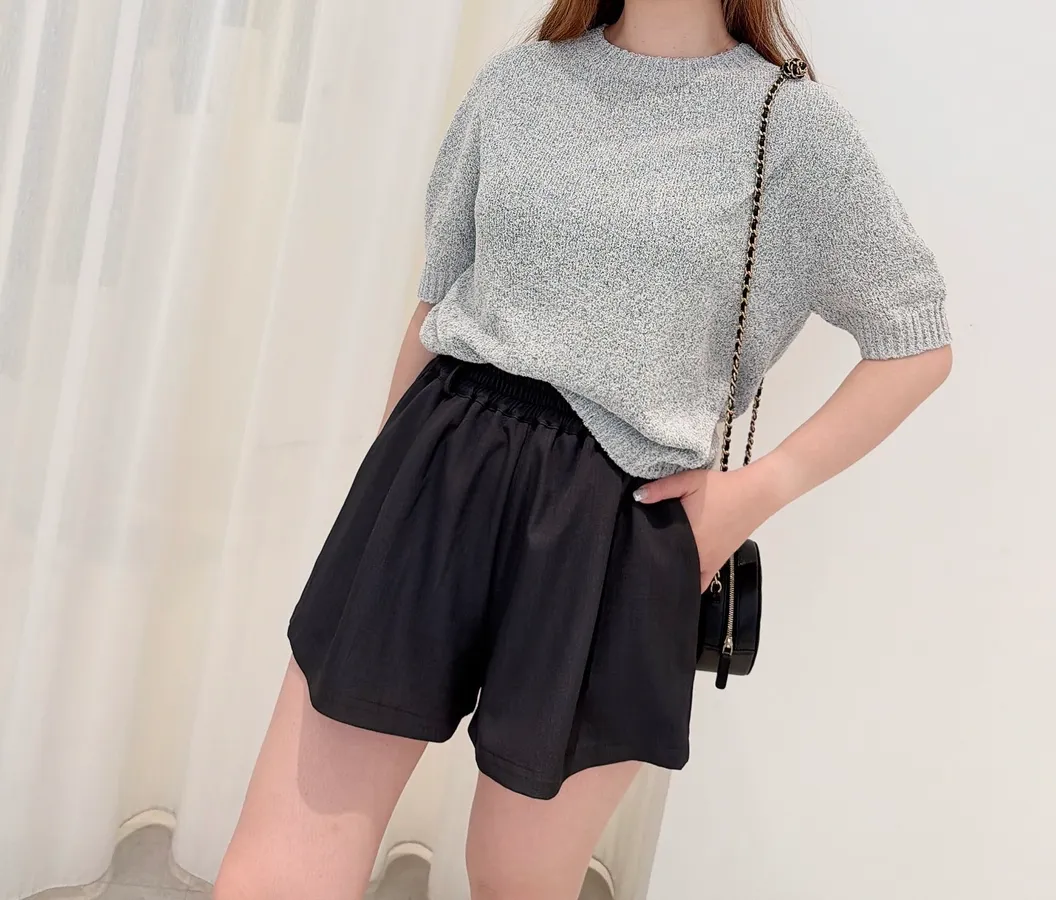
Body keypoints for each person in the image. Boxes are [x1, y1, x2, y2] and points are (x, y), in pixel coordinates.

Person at [214, 1, 952, 898]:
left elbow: (914, 340)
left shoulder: (793, 129)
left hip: (614, 530)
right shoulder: (520, 81)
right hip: (439, 471)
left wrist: (752, 494)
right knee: (282, 866)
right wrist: (383, 494)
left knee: (517, 877)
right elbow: (437, 299)